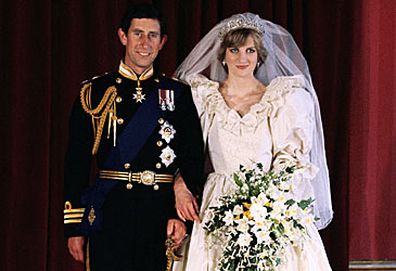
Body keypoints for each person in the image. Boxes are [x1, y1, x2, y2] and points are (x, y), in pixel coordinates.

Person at [173, 13, 333, 270]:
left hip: (268, 203)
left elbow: (290, 159)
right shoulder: (204, 98)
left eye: (250, 50)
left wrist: (266, 204)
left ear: (260, 55)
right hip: (218, 201)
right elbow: (185, 150)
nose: (242, 58)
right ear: (223, 54)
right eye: (234, 49)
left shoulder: (281, 100)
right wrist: (180, 184)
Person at [63, 4, 204, 271]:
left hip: (159, 214)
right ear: (122, 36)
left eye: (152, 35)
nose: (144, 43)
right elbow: (76, 163)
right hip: (110, 214)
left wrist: (178, 215)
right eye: (137, 33)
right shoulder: (94, 92)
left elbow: (193, 156)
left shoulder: (178, 95)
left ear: (162, 42)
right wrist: (74, 226)